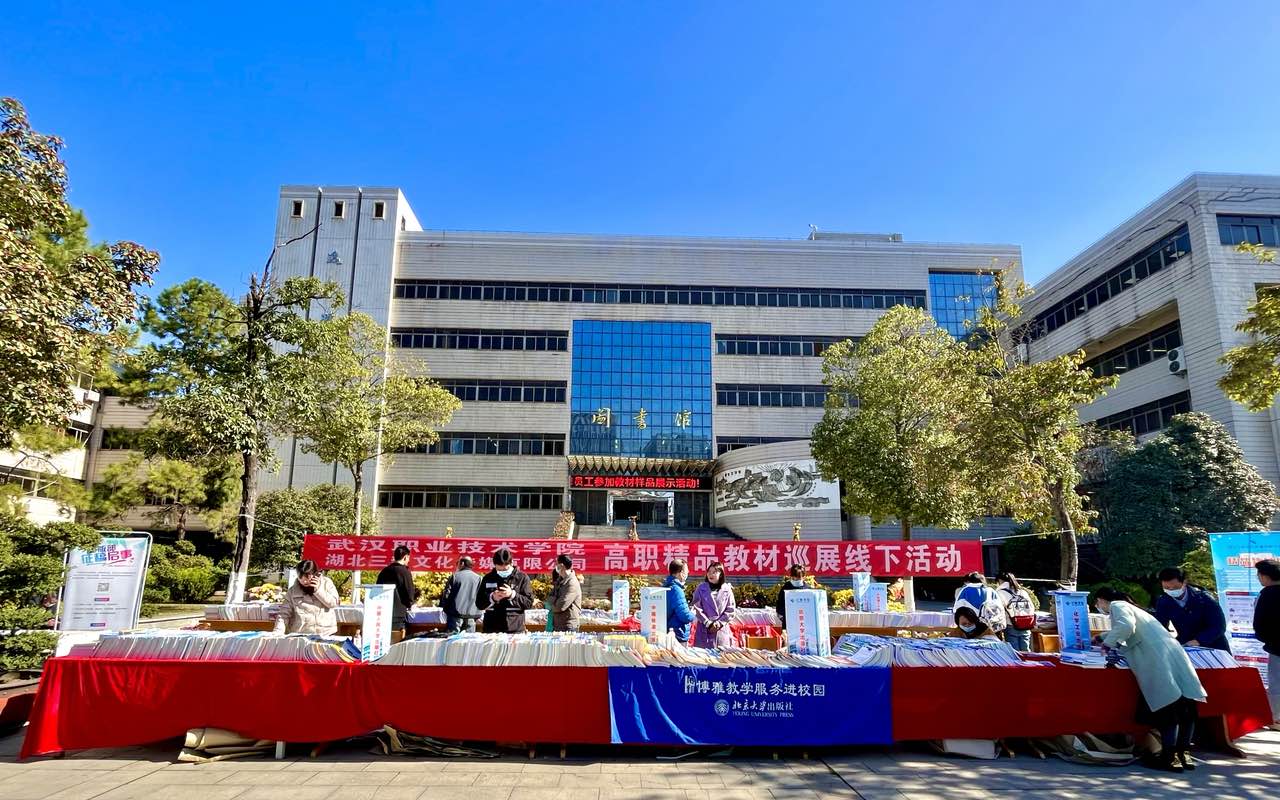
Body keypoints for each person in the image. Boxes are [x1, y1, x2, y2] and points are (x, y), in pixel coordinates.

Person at [1095, 586, 1207, 773]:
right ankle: (1183, 754)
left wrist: (1107, 645)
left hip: (1157, 660)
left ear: (1101, 599)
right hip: (1173, 655)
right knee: (1186, 707)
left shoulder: (1117, 605)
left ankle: (1169, 757)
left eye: (1097, 602)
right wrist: (1101, 637)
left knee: (1168, 707)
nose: (1099, 606)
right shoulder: (1135, 608)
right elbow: (1135, 630)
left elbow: (1126, 626)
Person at [1154, 567, 1230, 652]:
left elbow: (1219, 626)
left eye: (1175, 587)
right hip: (1186, 646)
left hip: (1214, 646)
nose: (1171, 590)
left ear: (1184, 583)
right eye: (1167, 588)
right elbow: (1160, 626)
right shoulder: (1164, 601)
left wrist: (1198, 641)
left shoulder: (1204, 598)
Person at [273, 560, 340, 636]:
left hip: (326, 632)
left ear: (315, 574)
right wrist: (278, 632)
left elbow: (333, 603)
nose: (304, 581)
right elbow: (283, 614)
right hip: (301, 634)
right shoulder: (292, 591)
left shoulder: (326, 583)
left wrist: (318, 591)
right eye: (300, 578)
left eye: (308, 578)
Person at [476, 548, 534, 633]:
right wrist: (492, 598)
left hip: (515, 628)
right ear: (495, 565)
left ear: (512, 563)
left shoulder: (522, 578)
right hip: (491, 629)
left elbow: (528, 603)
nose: (503, 572)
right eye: (500, 570)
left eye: (505, 570)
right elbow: (479, 604)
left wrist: (512, 595)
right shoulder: (488, 578)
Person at [1254, 559, 1280, 727]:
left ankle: (1276, 719)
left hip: (1277, 648)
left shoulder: (1266, 595)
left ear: (1264, 576)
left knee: (1277, 685)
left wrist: (1267, 640)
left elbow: (1259, 625)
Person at [693, 561, 736, 648]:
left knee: (720, 654)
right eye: (709, 571)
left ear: (721, 574)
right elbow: (696, 607)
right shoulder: (701, 588)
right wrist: (707, 623)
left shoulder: (727, 589)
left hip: (720, 630)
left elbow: (731, 610)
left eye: (714, 572)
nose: (710, 574)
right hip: (704, 628)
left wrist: (719, 623)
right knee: (702, 655)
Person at [375, 545, 415, 637]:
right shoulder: (405, 572)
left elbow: (377, 588)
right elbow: (409, 593)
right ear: (405, 557)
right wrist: (410, 604)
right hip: (398, 614)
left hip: (382, 611)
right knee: (397, 639)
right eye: (408, 558)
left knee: (383, 638)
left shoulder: (384, 571)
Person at [997, 572, 1036, 653]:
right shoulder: (1022, 592)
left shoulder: (1000, 593)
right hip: (1026, 624)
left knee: (1014, 653)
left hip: (1011, 624)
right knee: (1026, 651)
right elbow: (1032, 607)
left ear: (1000, 580)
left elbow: (998, 610)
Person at [441, 556, 482, 633]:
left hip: (455, 615)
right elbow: (481, 597)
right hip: (471, 616)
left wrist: (446, 610)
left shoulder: (455, 576)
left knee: (453, 638)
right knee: (469, 639)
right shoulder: (479, 578)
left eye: (458, 563)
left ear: (462, 563)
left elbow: (446, 596)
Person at [663, 559, 696, 644]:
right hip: (677, 634)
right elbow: (685, 616)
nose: (688, 572)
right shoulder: (676, 590)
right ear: (681, 573)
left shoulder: (666, 586)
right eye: (686, 571)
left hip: (669, 632)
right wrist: (693, 613)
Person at [547, 554, 583, 632]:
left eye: (556, 564)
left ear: (561, 565)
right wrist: (553, 601)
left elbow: (560, 606)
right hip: (557, 624)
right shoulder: (560, 580)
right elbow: (549, 598)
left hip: (568, 625)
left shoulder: (572, 583)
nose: (555, 566)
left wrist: (552, 603)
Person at [775, 563, 809, 633]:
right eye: (793, 578)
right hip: (788, 622)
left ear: (804, 577)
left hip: (804, 623)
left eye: (798, 578)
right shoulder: (786, 587)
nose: (795, 580)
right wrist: (783, 614)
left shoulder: (807, 589)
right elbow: (779, 603)